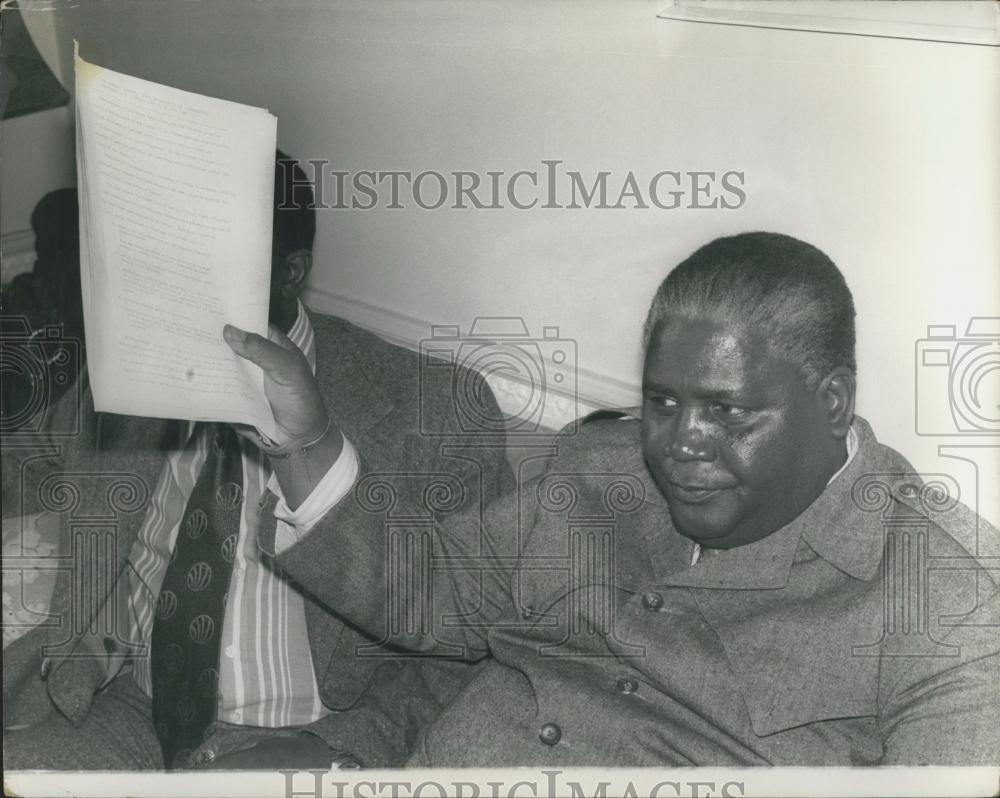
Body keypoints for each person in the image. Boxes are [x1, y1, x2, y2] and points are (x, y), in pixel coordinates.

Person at [254, 232, 999, 766]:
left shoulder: (947, 599)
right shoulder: (599, 472)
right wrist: (305, 442)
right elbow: (428, 589)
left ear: (833, 403)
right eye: (663, 403)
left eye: (728, 412)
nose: (680, 444)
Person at [2, 152, 513, 770]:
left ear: (290, 273)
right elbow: (28, 461)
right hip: (122, 708)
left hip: (309, 738)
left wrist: (335, 751)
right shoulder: (133, 372)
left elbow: (478, 640)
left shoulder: (438, 410)